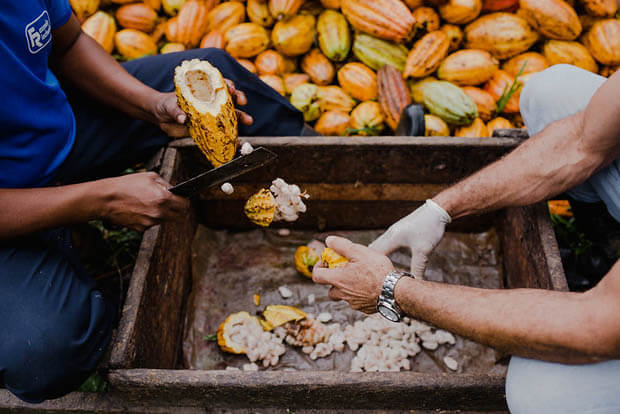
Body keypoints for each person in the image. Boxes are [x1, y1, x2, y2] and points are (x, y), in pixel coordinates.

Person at [0, 0, 305, 403]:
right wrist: (96, 200)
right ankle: (78, 286)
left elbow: (69, 43)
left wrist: (151, 104)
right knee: (43, 351)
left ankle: (323, 182)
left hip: (52, 132)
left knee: (216, 68)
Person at [313, 64, 620, 414]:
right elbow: (580, 140)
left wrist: (392, 289)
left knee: (540, 389)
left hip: (607, 319)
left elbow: (596, 324)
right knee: (552, 94)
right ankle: (607, 244)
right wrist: (439, 208)